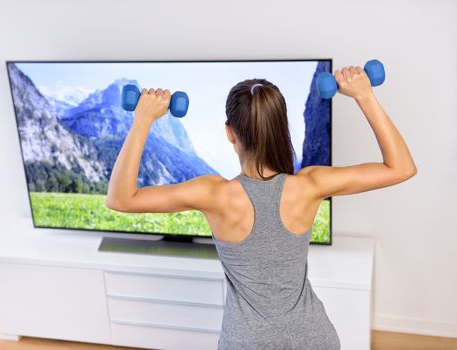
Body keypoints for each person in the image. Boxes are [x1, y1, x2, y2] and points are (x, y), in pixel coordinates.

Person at [105, 65, 417, 349]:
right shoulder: (310, 185)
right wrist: (364, 95)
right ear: (281, 127)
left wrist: (143, 119)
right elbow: (401, 167)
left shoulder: (213, 194)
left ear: (230, 133)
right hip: (315, 339)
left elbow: (120, 199)